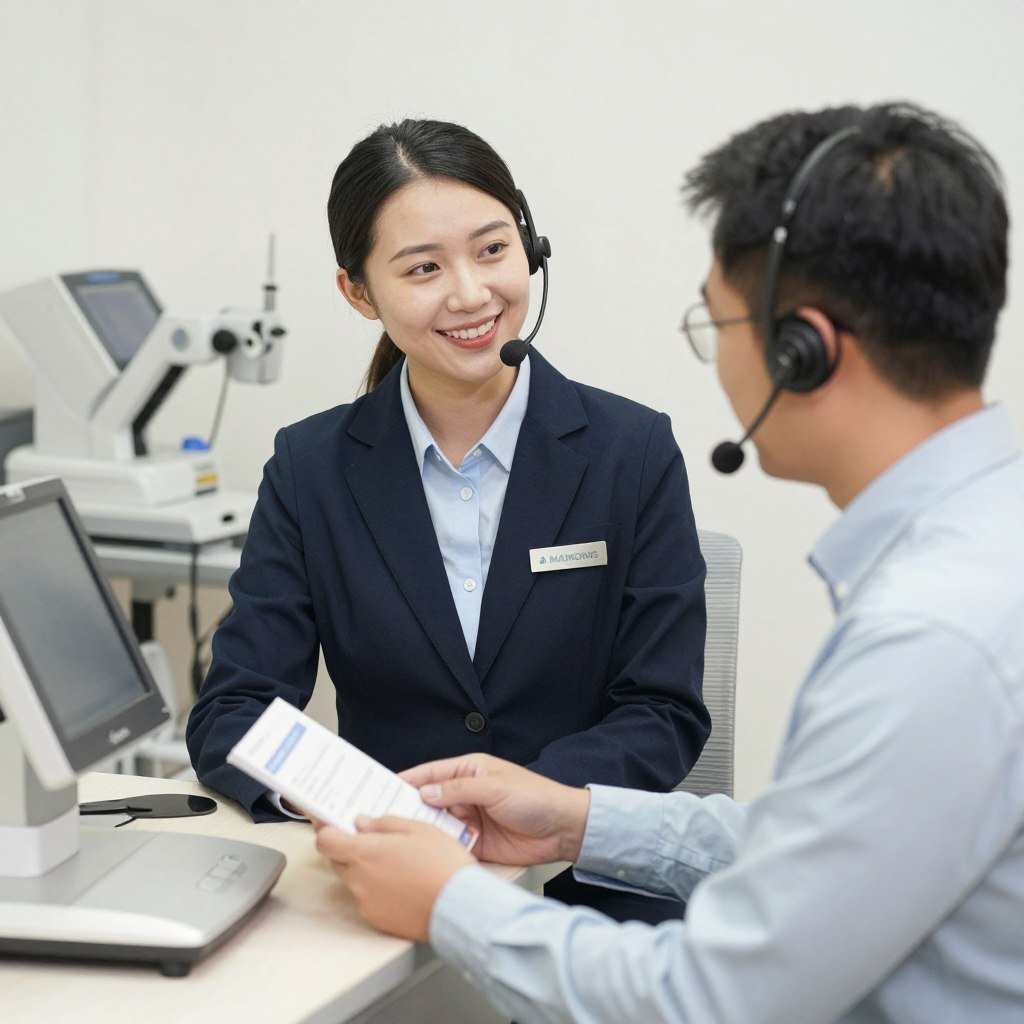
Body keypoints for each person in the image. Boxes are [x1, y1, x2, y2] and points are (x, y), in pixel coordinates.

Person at [313, 102, 1024, 1023]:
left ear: (803, 351)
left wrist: (450, 901)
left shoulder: (932, 640)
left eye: (718, 322)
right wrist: (577, 818)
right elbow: (811, 851)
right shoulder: (979, 554)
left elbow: (714, 997)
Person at [186, 119, 710, 925]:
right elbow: (237, 713)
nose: (470, 293)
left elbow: (663, 710)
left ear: (530, 249)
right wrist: (344, 805)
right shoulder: (311, 468)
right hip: (381, 883)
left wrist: (527, 800)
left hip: (587, 893)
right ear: (358, 291)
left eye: (493, 250)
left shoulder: (630, 451)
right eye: (423, 268)